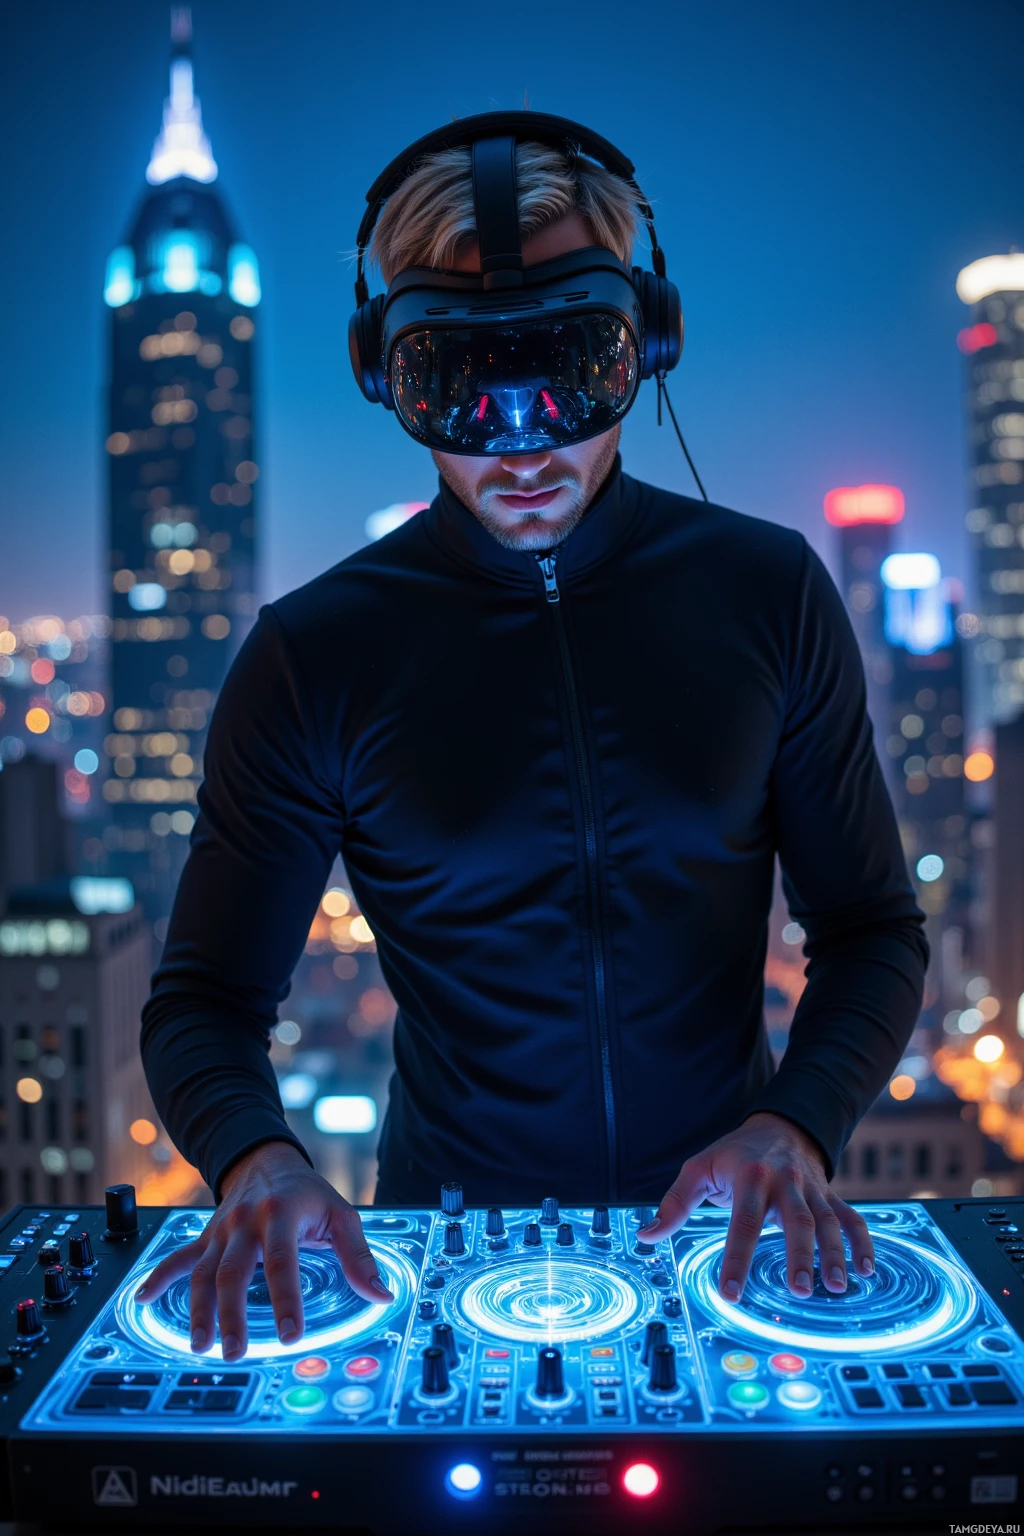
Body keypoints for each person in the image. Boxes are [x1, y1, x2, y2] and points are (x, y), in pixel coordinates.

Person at [137, 118, 928, 1363]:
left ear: (646, 341)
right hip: (443, 1253)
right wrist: (257, 1158)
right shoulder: (314, 656)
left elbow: (871, 928)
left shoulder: (767, 594)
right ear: (383, 371)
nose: (521, 438)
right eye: (455, 381)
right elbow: (206, 999)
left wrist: (799, 1124)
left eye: (569, 364)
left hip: (725, 1251)